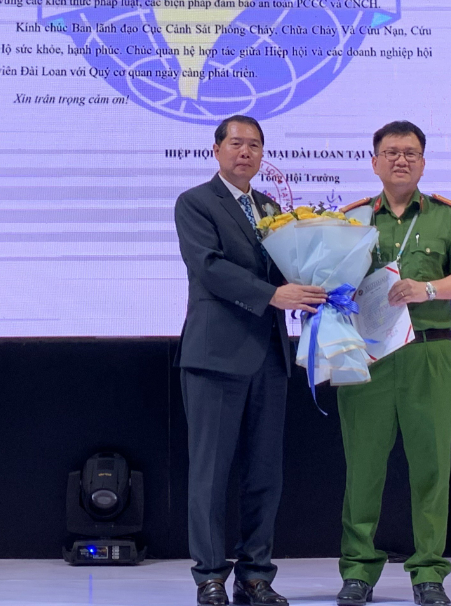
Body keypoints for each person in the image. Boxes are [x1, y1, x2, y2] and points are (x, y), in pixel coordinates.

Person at [174, 115, 327, 606]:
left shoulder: (270, 208)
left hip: (269, 356)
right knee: (210, 473)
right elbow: (209, 267)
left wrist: (322, 277)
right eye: (237, 143)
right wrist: (273, 295)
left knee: (265, 474)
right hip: (215, 356)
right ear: (216, 150)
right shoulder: (196, 202)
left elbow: (285, 269)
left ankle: (256, 575)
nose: (246, 152)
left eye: (255, 145)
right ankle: (210, 576)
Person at [335, 121, 451, 606]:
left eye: (410, 153)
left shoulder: (447, 217)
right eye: (391, 152)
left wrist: (428, 288)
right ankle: (358, 570)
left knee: (431, 465)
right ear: (374, 161)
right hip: (369, 355)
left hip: (428, 351)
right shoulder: (352, 219)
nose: (400, 160)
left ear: (422, 162)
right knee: (363, 467)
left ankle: (428, 573)